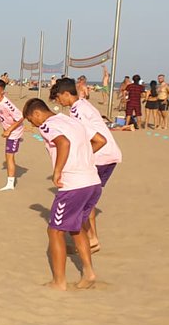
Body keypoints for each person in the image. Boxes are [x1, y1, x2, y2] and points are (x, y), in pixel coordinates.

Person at [22, 98, 107, 290]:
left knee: (54, 231)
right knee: (77, 228)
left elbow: (63, 143)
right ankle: (89, 272)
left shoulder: (48, 125)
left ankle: (59, 281)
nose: (32, 125)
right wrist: (81, 158)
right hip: (92, 182)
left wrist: (58, 170)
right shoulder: (72, 120)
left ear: (37, 114)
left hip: (73, 185)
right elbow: (100, 140)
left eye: (30, 120)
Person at [51, 77, 122, 253]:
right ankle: (91, 239)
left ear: (67, 94)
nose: (59, 101)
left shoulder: (77, 111)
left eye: (59, 97)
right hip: (109, 155)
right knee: (88, 201)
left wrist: (81, 156)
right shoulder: (83, 105)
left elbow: (94, 138)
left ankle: (88, 240)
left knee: (84, 200)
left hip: (101, 155)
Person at [0, 79, 24, 191]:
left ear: (2, 92)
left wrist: (9, 130)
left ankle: (10, 184)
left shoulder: (7, 104)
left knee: (9, 156)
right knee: (8, 155)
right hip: (7, 129)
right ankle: (10, 181)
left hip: (14, 131)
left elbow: (20, 118)